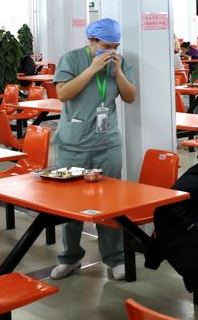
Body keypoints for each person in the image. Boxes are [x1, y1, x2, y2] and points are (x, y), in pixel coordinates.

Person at [50, 18, 137, 281]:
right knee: (70, 204)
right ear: (92, 41)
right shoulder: (72, 59)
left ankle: (115, 257)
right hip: (72, 144)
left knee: (109, 201)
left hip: (106, 142)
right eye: (106, 45)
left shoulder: (120, 63)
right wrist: (91, 69)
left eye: (116, 45)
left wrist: (118, 72)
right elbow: (63, 94)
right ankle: (71, 257)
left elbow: (130, 97)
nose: (111, 50)